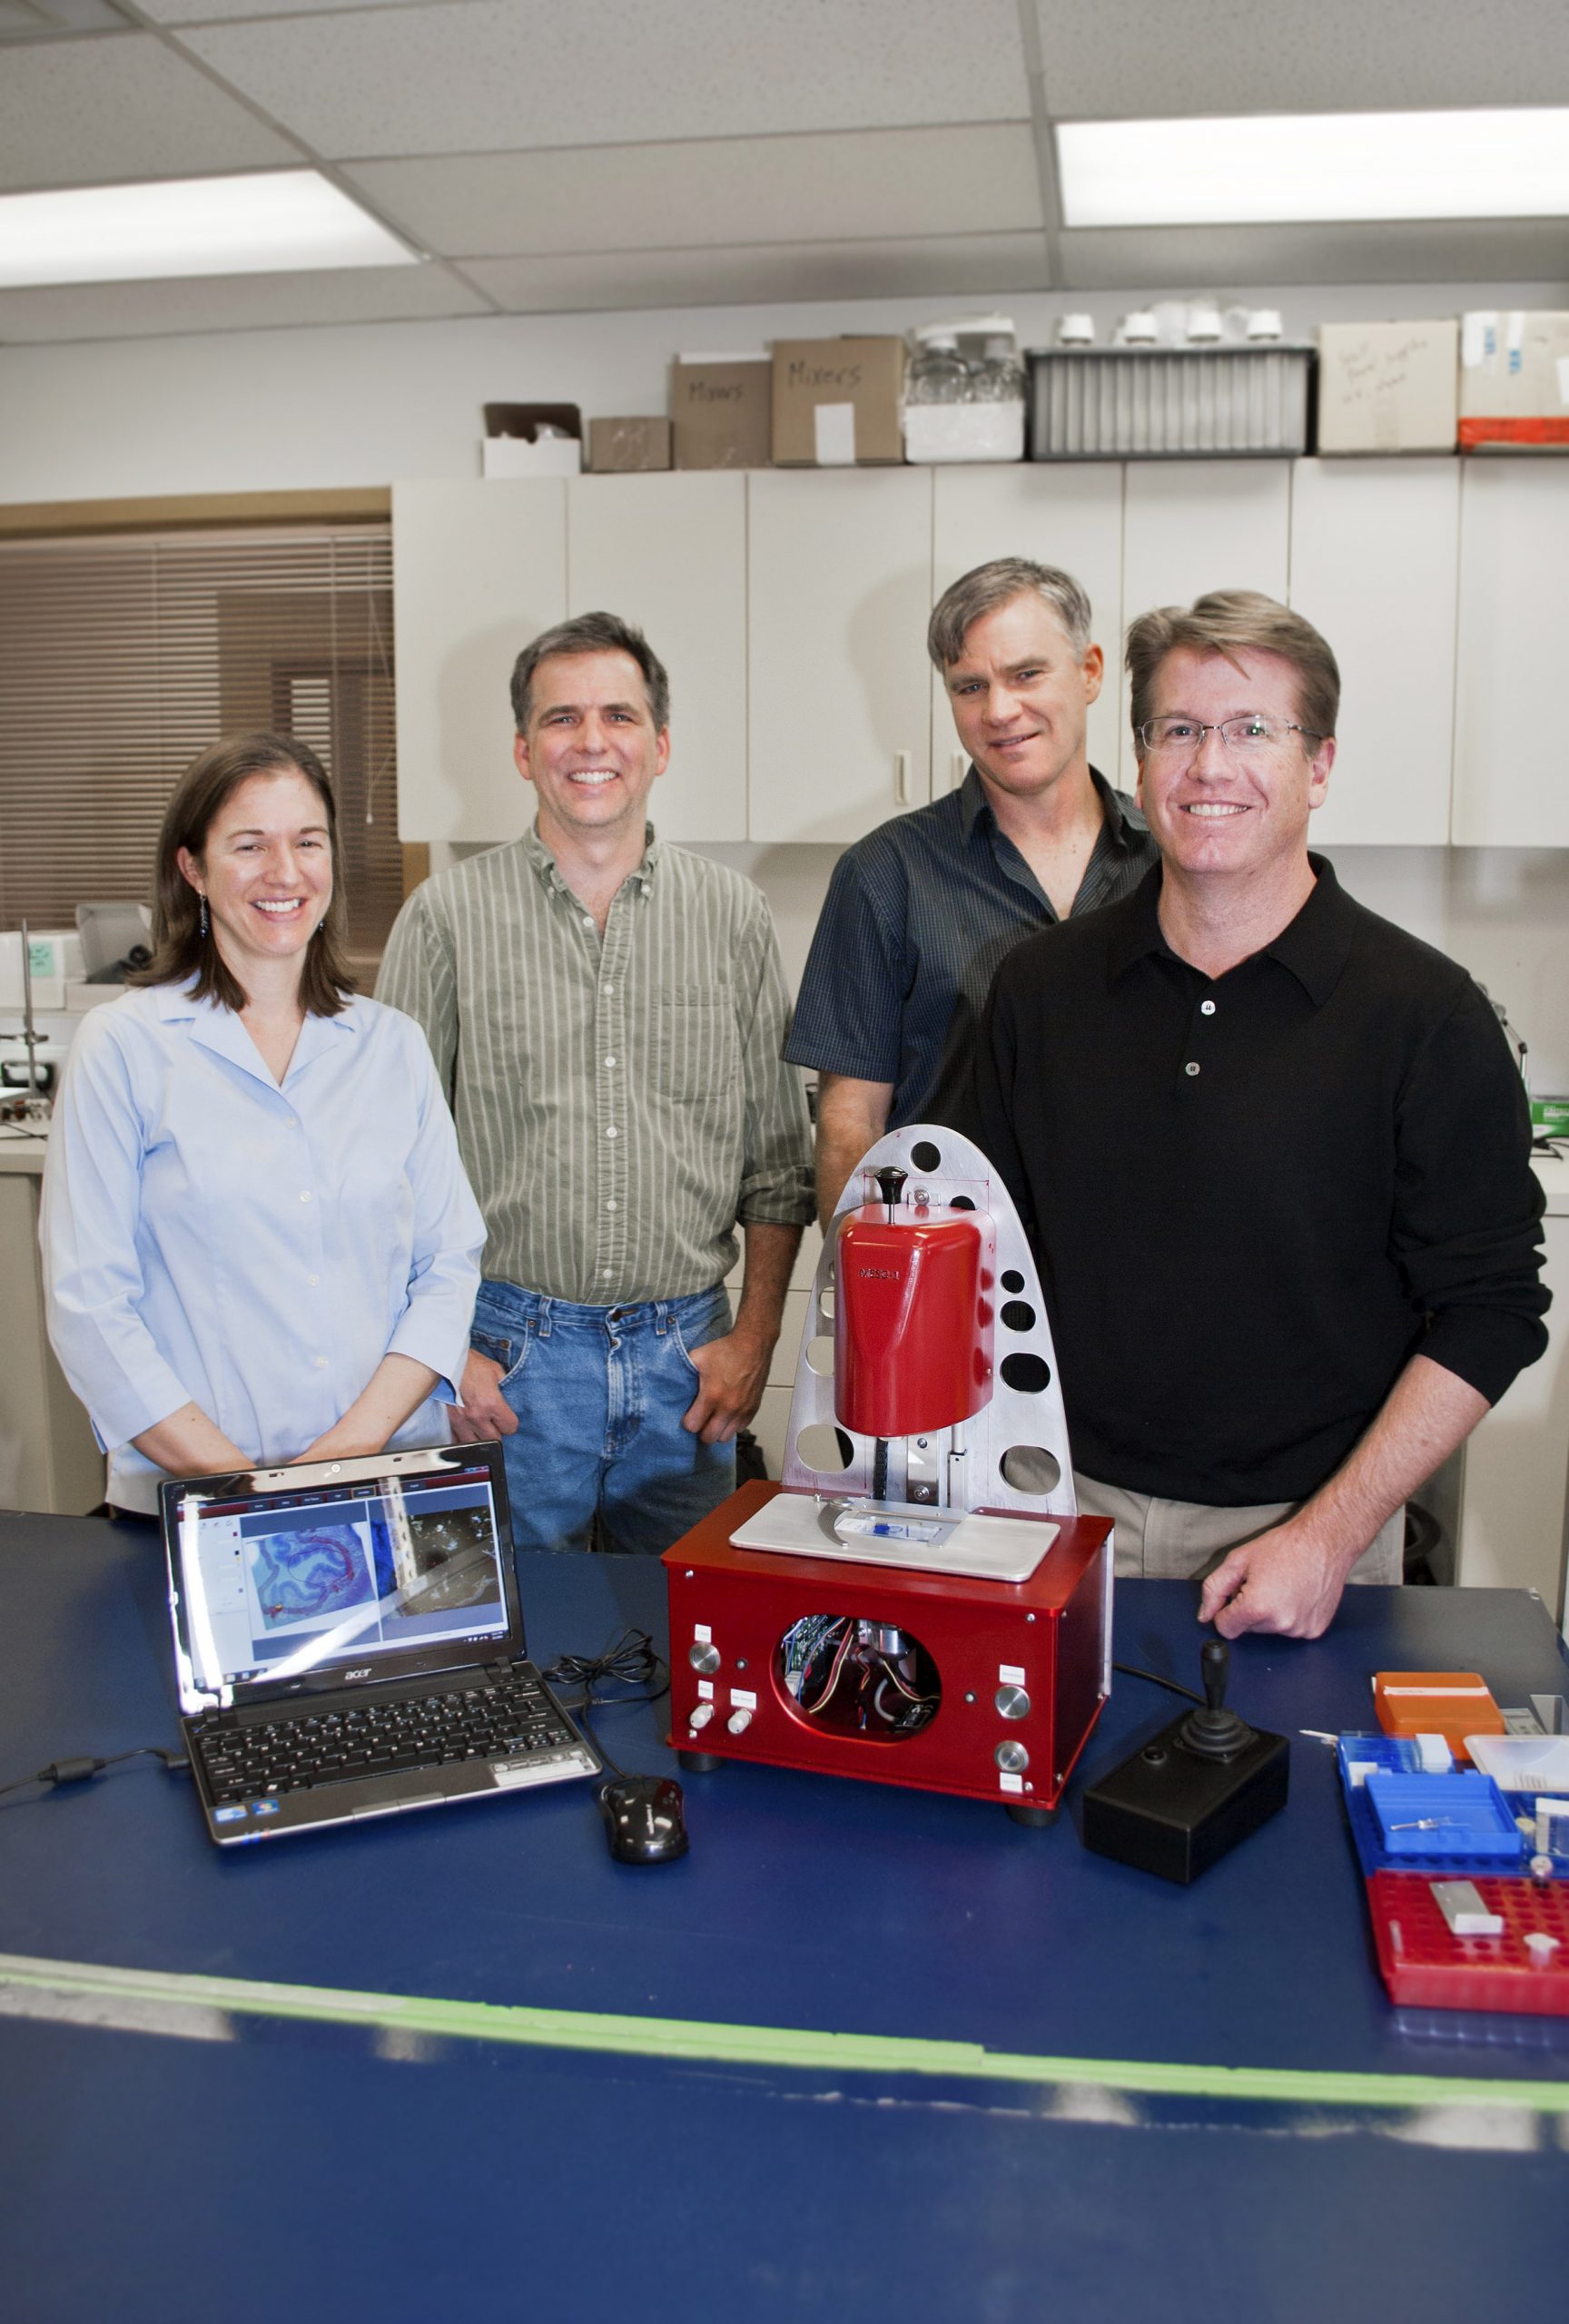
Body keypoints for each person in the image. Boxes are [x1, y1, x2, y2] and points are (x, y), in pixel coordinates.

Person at [970, 589, 1548, 1640]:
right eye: (1179, 730)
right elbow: (972, 1246)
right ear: (1141, 763)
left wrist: (1329, 1533)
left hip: (1305, 1536)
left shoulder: (1424, 1013)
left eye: (1251, 731)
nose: (1208, 766)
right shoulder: (1039, 989)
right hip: (1056, 1510)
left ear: (1318, 765)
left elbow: (1495, 1308)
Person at [376, 610, 814, 1554]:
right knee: (515, 1648)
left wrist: (755, 1339)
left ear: (659, 744)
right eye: (561, 719)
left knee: (683, 1651)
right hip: (508, 1360)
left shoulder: (732, 915)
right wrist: (446, 1354)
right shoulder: (445, 917)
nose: (590, 742)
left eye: (617, 715)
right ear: (523, 751)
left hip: (688, 1367)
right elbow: (385, 1165)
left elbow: (779, 1165)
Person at [44, 734, 485, 1517]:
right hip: (194, 1506)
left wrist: (341, 1464)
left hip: (388, 1486)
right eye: (249, 845)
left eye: (307, 842)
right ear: (194, 868)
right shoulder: (124, 1047)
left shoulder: (391, 1045)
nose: (284, 873)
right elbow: (90, 1306)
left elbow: (447, 1267)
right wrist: (245, 1495)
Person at [786, 556, 1159, 1223]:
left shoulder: (1169, 864)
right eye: (969, 687)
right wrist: (871, 1284)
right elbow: (853, 1115)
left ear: (1092, 671)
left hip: (1138, 1278)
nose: (1000, 711)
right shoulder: (884, 874)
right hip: (952, 1286)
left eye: (1026, 674)